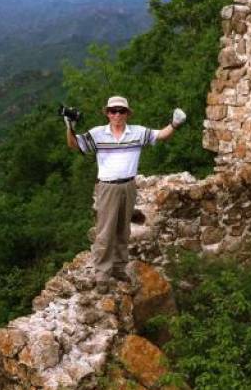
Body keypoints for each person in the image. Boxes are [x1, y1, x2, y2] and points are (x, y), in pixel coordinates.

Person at [65, 96, 186, 290]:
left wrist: (175, 124)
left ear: (127, 114)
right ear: (107, 113)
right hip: (108, 187)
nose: (117, 115)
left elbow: (161, 135)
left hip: (129, 186)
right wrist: (69, 126)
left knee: (123, 229)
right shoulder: (97, 134)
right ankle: (102, 275)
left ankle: (119, 268)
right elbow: (74, 144)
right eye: (113, 111)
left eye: (121, 111)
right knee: (105, 231)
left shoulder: (137, 132)